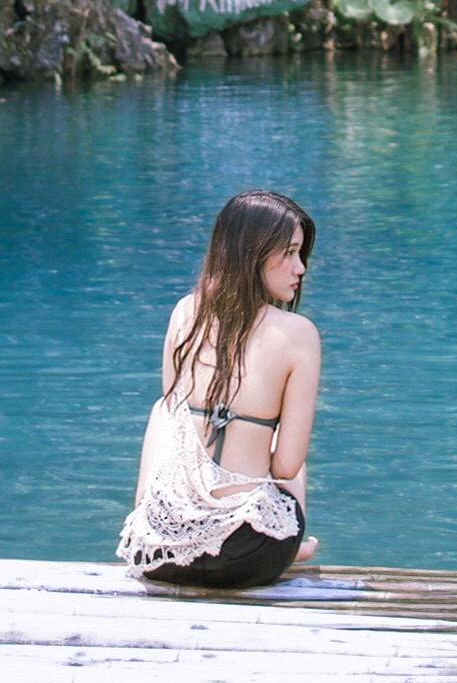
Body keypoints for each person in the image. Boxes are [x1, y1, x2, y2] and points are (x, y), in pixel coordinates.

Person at [118, 189, 321, 588]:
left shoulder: (184, 313)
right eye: (290, 252)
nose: (300, 268)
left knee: (165, 411)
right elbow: (285, 467)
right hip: (250, 553)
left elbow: (175, 430)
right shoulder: (298, 334)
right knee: (284, 447)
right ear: (254, 253)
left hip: (162, 553)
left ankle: (146, 513)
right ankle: (288, 547)